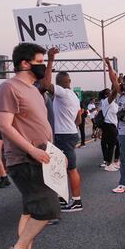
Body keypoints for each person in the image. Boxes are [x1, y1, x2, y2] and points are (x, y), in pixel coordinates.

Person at [0, 42, 59, 249]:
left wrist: (51, 153)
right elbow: (4, 125)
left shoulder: (33, 89)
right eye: (40, 62)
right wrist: (32, 150)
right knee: (48, 207)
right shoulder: (8, 88)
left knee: (30, 211)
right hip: (24, 159)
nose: (42, 66)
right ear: (24, 63)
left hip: (42, 156)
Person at [42, 49, 85, 212]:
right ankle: (61, 199)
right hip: (69, 133)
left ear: (59, 83)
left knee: (70, 168)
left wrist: (50, 59)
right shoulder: (73, 95)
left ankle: (77, 201)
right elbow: (79, 118)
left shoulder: (63, 93)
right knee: (60, 168)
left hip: (65, 136)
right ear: (70, 81)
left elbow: (46, 85)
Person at [98, 86, 120, 171]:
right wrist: (116, 84)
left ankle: (111, 161)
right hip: (109, 125)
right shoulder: (106, 102)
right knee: (111, 145)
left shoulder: (114, 104)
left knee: (112, 144)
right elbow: (114, 93)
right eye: (108, 93)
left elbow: (117, 115)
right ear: (106, 95)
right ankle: (109, 164)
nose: (110, 93)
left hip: (112, 126)